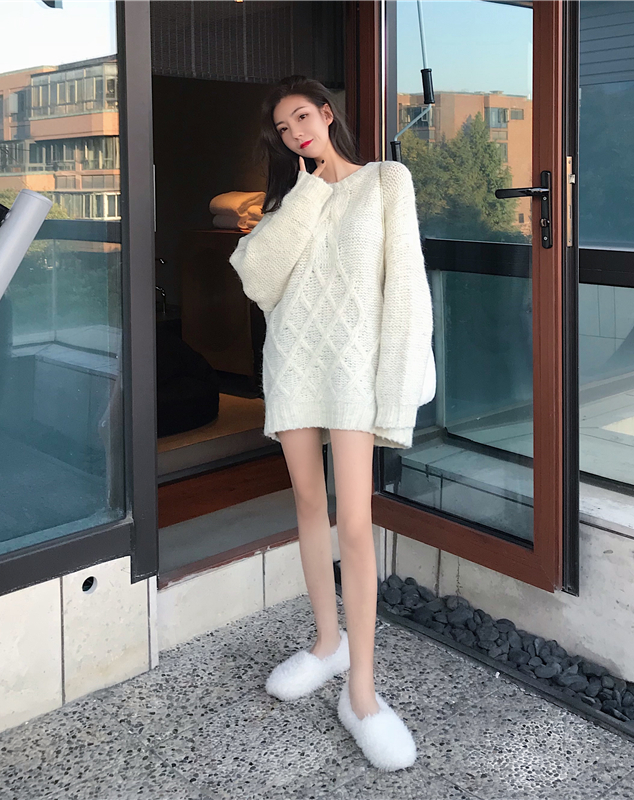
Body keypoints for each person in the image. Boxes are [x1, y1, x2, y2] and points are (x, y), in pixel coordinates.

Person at [228, 75, 434, 772]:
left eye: (302, 118)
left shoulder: (385, 182)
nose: (295, 133)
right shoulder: (291, 199)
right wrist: (305, 192)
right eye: (283, 129)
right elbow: (258, 281)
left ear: (326, 113)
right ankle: (326, 643)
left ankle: (363, 694)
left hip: (352, 373)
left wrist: (394, 393)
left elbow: (405, 291)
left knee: (355, 523)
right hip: (293, 363)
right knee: (308, 505)